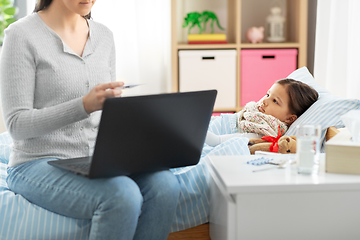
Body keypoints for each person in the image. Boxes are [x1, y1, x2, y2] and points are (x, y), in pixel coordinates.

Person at [0, 0, 180, 240]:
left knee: (165, 186)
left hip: (95, 158)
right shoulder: (21, 35)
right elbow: (16, 124)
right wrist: (83, 106)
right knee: (122, 196)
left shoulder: (104, 36)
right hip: (36, 162)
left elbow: (108, 115)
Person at [205, 78, 319, 146]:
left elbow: (216, 141)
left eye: (275, 101)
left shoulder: (263, 131)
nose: (264, 100)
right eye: (268, 94)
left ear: (289, 119)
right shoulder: (252, 114)